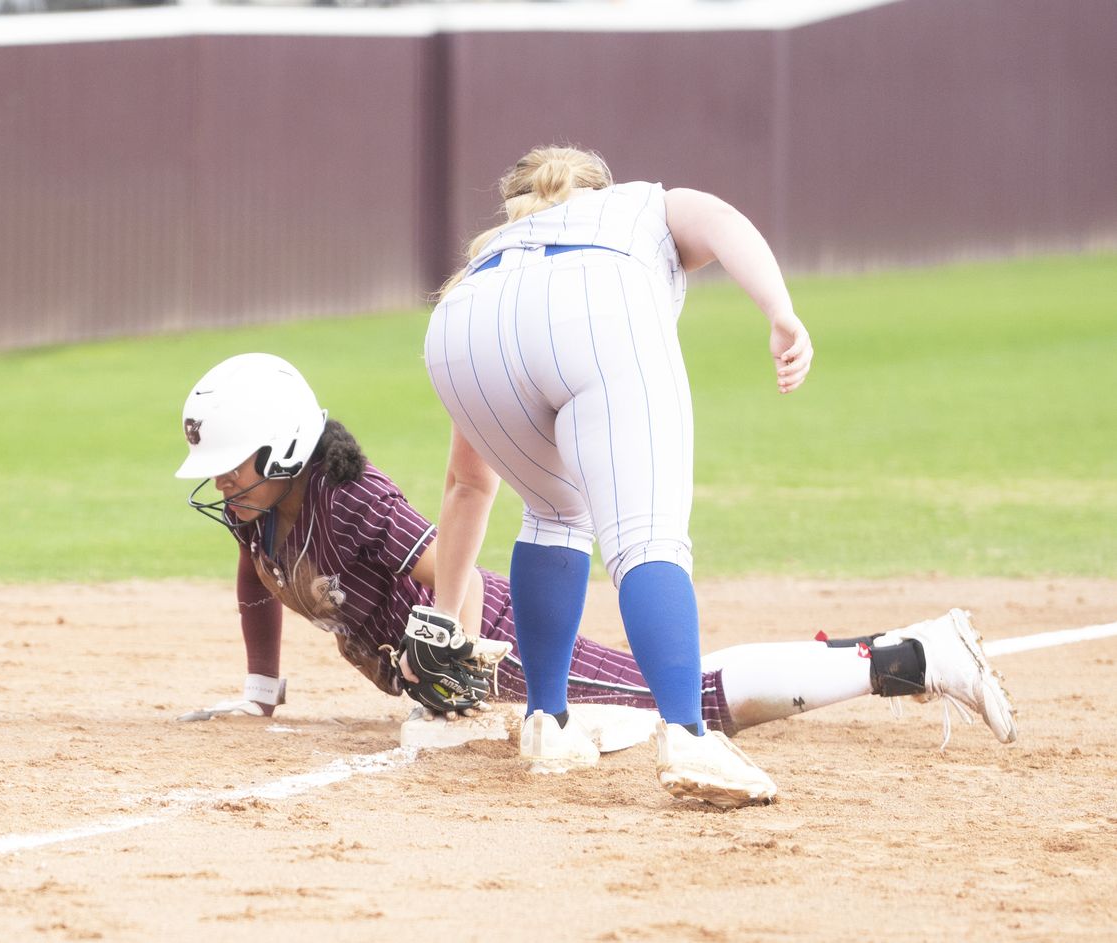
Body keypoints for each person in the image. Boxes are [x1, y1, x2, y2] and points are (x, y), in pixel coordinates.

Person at [420, 145, 1014, 809]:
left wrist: (446, 615)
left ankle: (546, 722)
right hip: (592, 307)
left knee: (556, 512)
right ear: (594, 188)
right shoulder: (635, 204)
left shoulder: (493, 254)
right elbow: (724, 221)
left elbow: (467, 483)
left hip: (459, 327)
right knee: (646, 534)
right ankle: (687, 732)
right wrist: (781, 311)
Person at [175, 353, 1017, 808]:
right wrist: (260, 687)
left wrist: (451, 668)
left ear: (285, 447)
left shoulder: (350, 498)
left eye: (230, 464)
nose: (221, 484)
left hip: (500, 648)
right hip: (460, 674)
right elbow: (257, 569)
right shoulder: (259, 509)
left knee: (692, 699)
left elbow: (452, 575)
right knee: (676, 695)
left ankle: (917, 653)